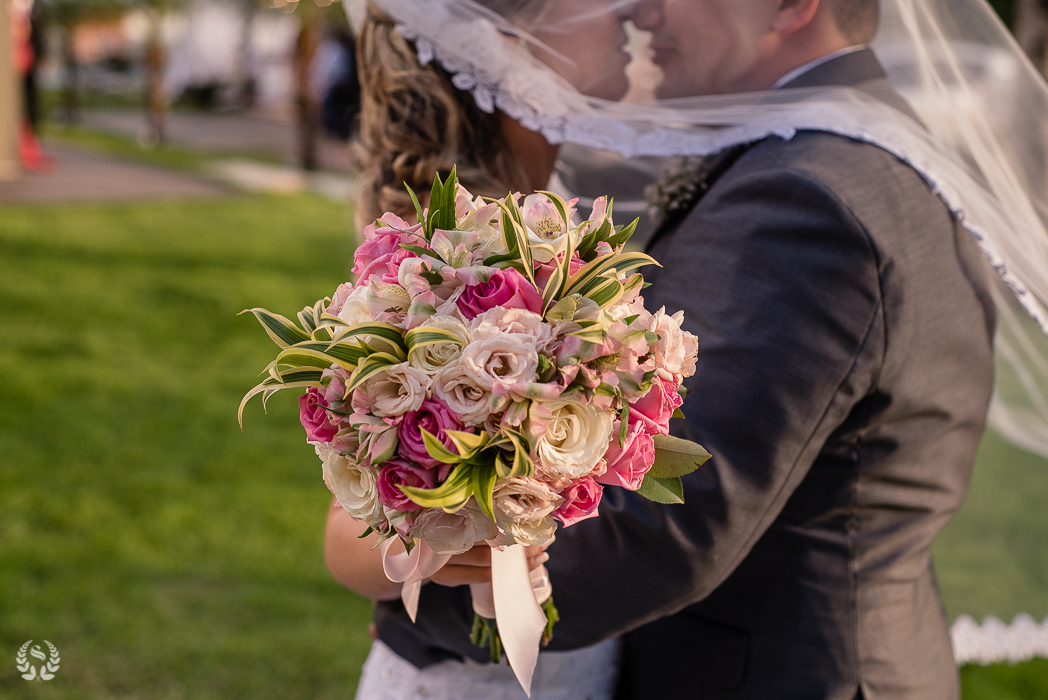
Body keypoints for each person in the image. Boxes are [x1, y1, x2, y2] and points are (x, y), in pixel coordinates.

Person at [363, 0, 1003, 698]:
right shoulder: (843, 156)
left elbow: (655, 533)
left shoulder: (805, 194)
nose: (640, 7)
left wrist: (413, 615)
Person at [324, 2, 635, 698]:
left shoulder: (585, 210)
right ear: (509, 42)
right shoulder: (446, 263)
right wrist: (438, 536)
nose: (627, 9)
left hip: (590, 665)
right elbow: (343, 539)